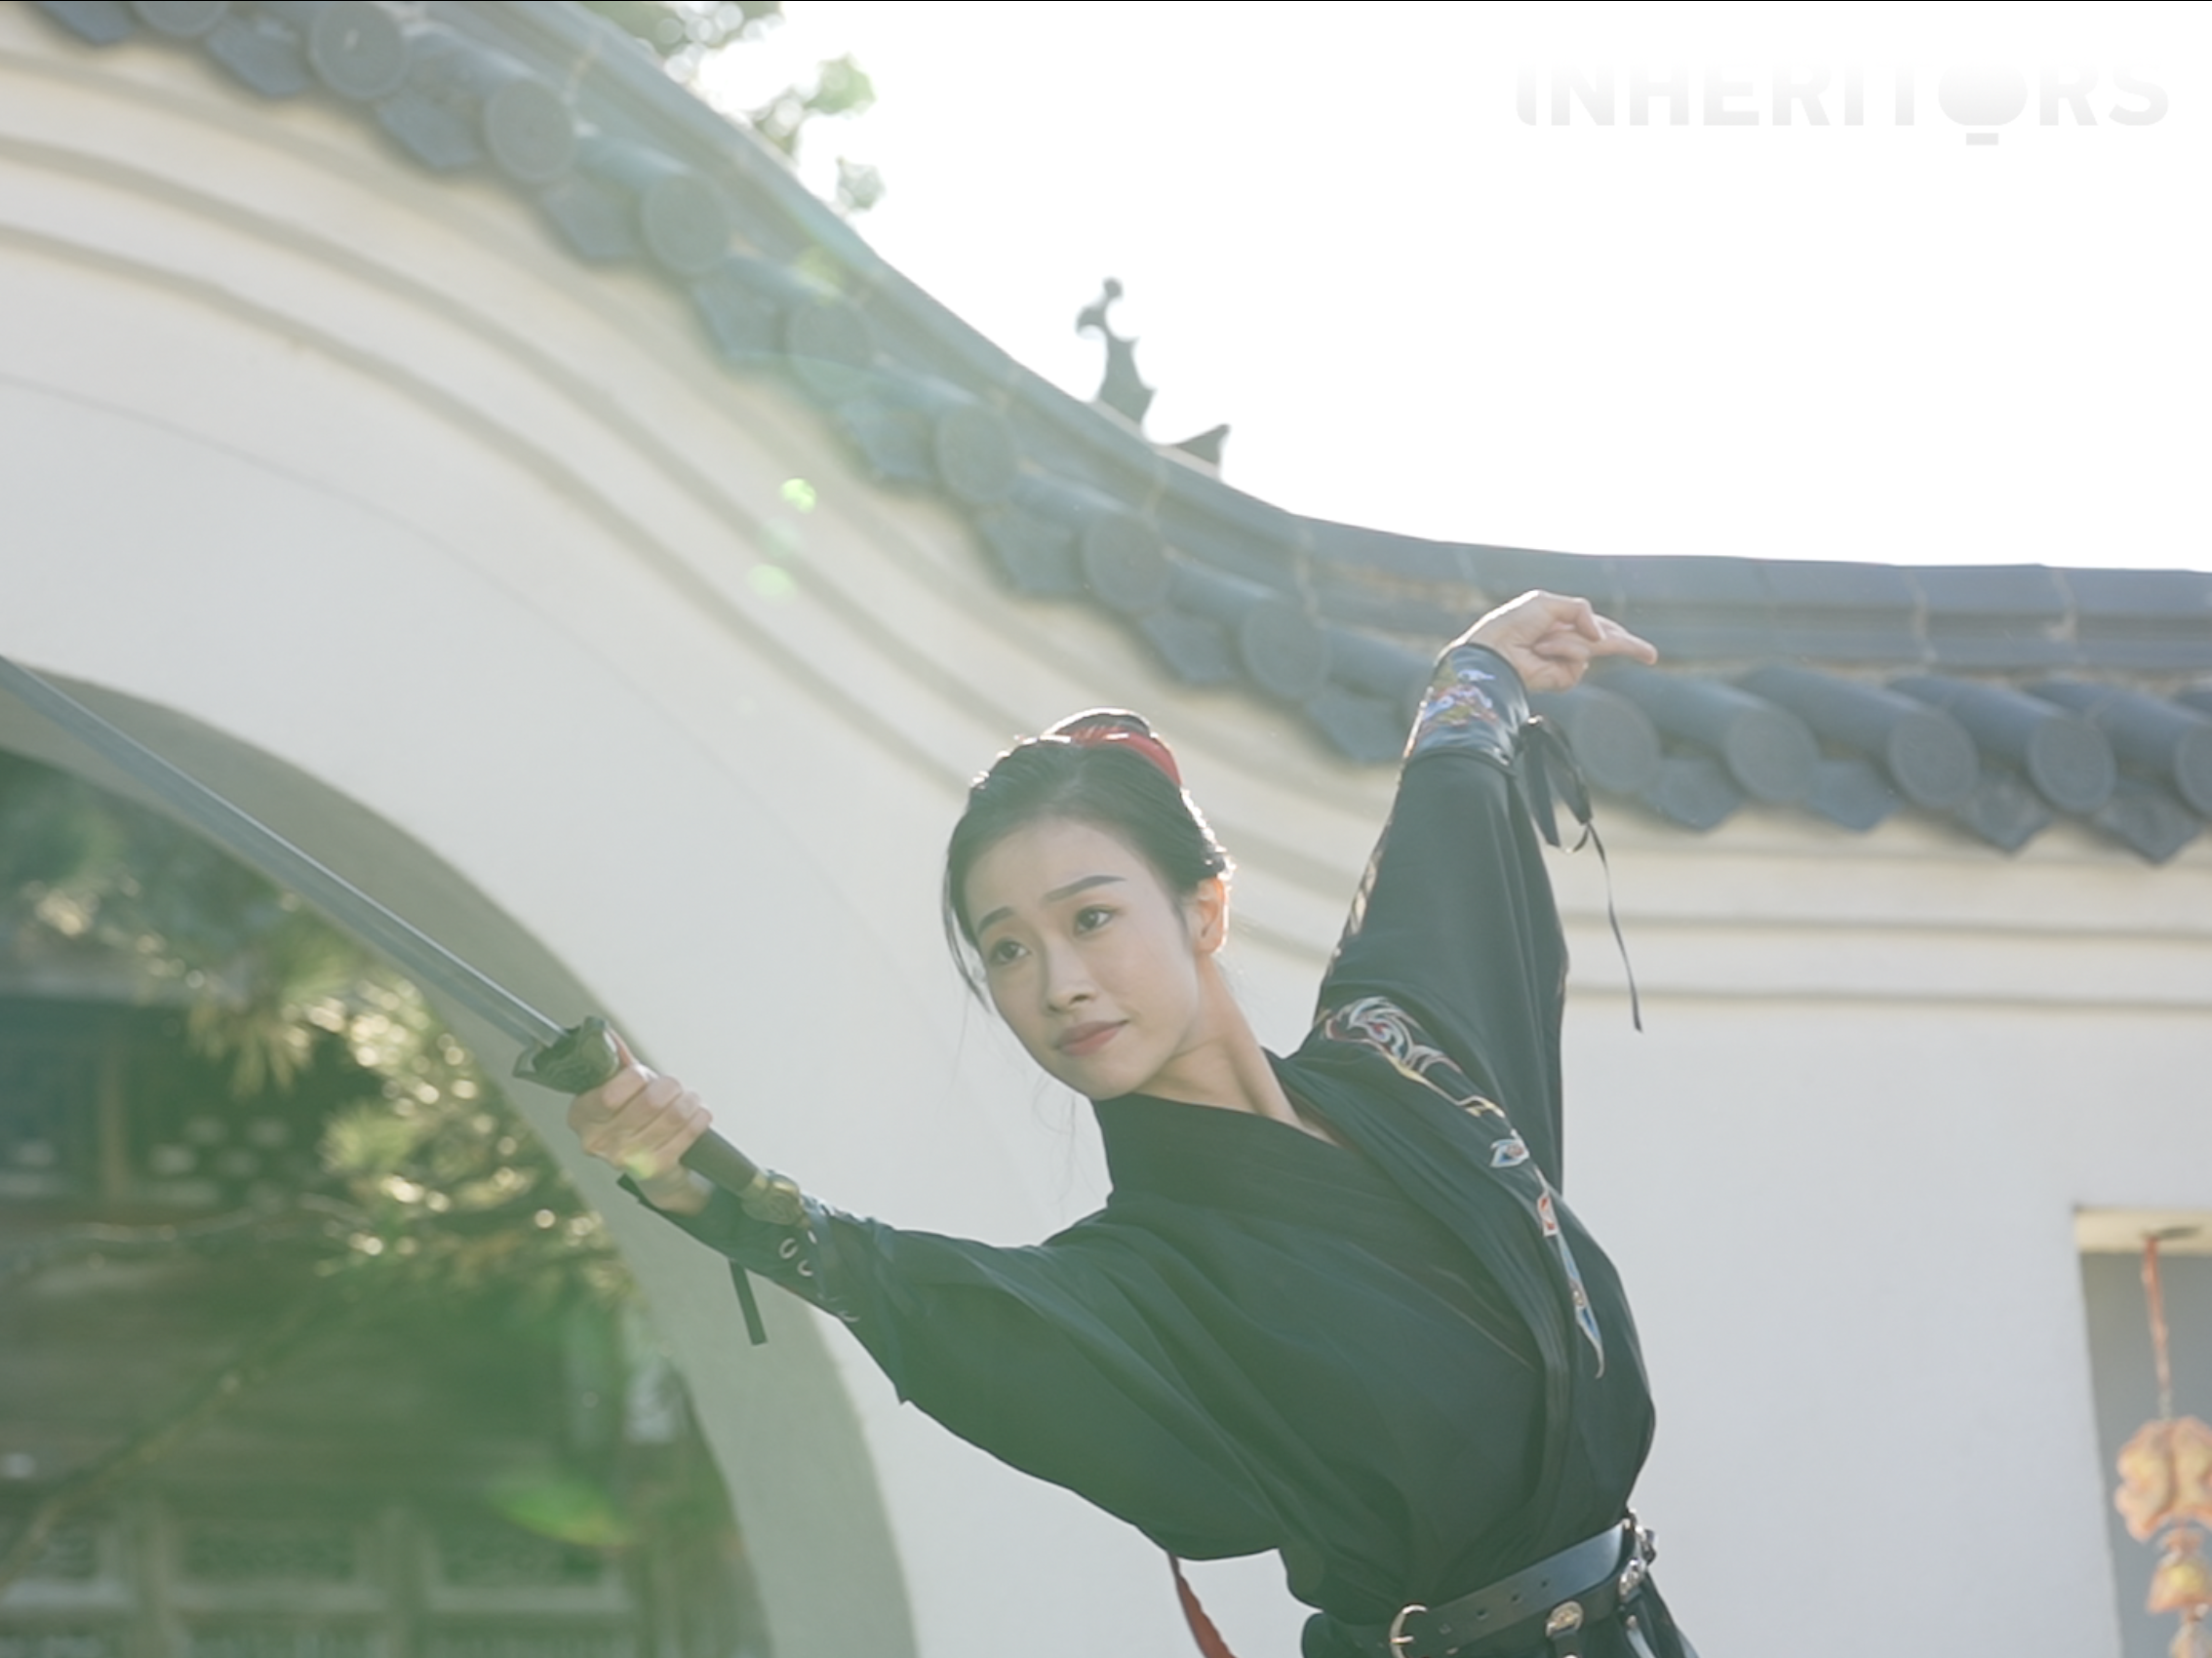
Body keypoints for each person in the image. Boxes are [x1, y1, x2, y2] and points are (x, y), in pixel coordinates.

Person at [568, 592, 1691, 1658]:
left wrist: (1479, 671)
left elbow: (1445, 846)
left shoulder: (1410, 1060)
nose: (1059, 981)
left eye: (1091, 916)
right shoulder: (1139, 1281)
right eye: (1006, 948)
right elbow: (890, 1275)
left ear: (1203, 907)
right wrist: (684, 1177)